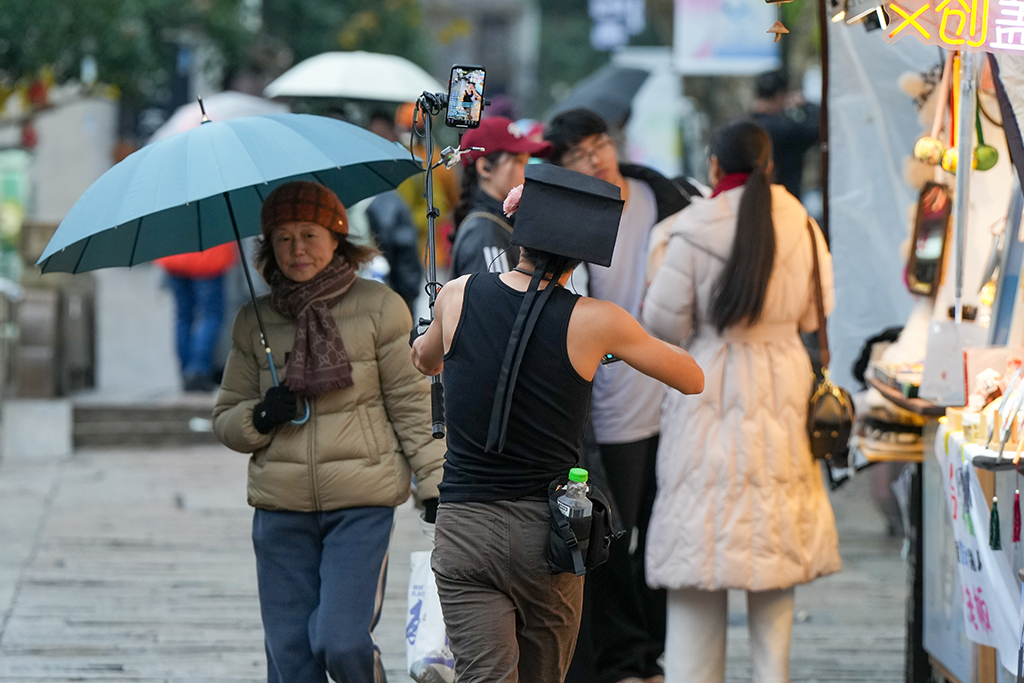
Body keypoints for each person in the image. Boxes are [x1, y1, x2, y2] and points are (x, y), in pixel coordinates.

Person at [411, 164, 704, 683]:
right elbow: (691, 378)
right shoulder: (597, 319)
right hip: (547, 532)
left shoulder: (457, 294)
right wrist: (611, 349)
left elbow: (425, 361)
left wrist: (433, 332)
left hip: (465, 527)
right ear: (583, 252)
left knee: (483, 676)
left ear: (518, 233)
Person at [212, 180, 445, 683]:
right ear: (268, 246)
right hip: (281, 508)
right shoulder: (255, 320)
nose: (297, 249)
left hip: (361, 503)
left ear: (337, 236)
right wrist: (261, 416)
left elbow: (411, 402)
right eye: (284, 237)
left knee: (339, 641)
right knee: (291, 658)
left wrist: (435, 484)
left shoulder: (380, 307)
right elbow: (226, 417)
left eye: (309, 234)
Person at [641, 119, 841, 683]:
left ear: (713, 168)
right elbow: (814, 313)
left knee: (695, 563)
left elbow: (661, 323)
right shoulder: (801, 222)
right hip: (782, 384)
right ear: (769, 164)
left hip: (705, 385)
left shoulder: (691, 226)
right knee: (772, 558)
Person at [544, 107, 700, 683]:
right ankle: (624, 657)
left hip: (672, 396)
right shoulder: (573, 218)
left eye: (600, 145)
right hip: (607, 403)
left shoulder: (663, 196)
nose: (597, 159)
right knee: (615, 538)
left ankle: (649, 655)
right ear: (563, 165)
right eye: (581, 155)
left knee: (666, 533)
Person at [449, 116, 553, 277]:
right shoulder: (486, 233)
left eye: (528, 160)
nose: (528, 171)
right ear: (485, 168)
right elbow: (497, 301)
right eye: (518, 161)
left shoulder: (498, 223)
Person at [156, 242, 237, 391]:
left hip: (174, 256)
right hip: (208, 258)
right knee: (211, 316)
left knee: (183, 318)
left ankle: (186, 370)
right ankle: (198, 370)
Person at [750, 70, 820, 201]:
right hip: (784, 203)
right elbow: (820, 125)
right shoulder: (786, 129)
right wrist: (806, 104)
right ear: (780, 96)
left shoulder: (744, 127)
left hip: (749, 204)